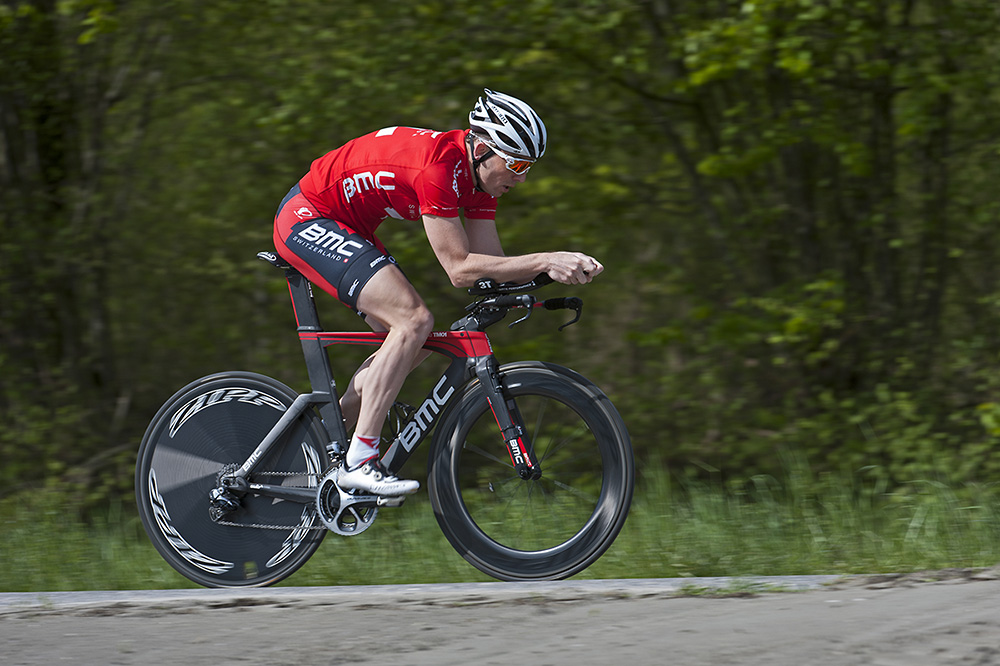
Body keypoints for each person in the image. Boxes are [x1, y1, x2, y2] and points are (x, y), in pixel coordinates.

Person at [272, 88, 604, 497]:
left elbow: (491, 265)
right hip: (307, 217)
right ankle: (359, 461)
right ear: (481, 149)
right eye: (516, 164)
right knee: (413, 321)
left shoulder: (480, 183)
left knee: (414, 343)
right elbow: (460, 269)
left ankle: (322, 446)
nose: (521, 178)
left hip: (349, 227)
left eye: (528, 167)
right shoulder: (439, 169)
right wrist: (546, 258)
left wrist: (548, 278)